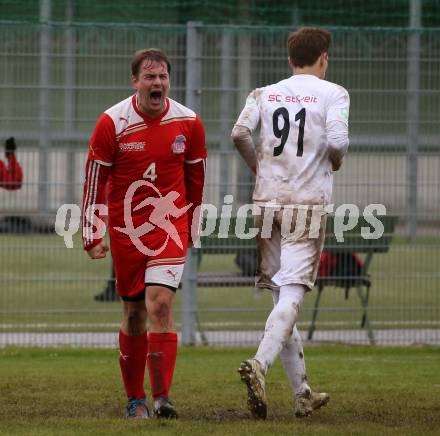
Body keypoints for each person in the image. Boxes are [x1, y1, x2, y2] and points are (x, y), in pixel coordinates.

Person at [231, 27, 349, 419]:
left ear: (289, 59)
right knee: (294, 294)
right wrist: (333, 162)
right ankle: (259, 365)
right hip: (306, 203)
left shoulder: (263, 93)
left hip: (266, 201)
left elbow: (240, 132)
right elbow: (338, 142)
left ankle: (302, 393)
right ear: (324, 58)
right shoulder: (333, 93)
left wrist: (259, 167)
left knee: (281, 298)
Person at [82, 48, 206, 419]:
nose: (158, 83)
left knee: (161, 304)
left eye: (163, 76)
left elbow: (196, 180)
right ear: (135, 81)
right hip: (126, 231)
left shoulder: (189, 123)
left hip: (169, 227)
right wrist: (93, 231)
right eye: (150, 77)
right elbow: (95, 178)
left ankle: (162, 398)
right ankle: (135, 398)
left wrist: (192, 228)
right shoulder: (112, 122)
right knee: (134, 315)